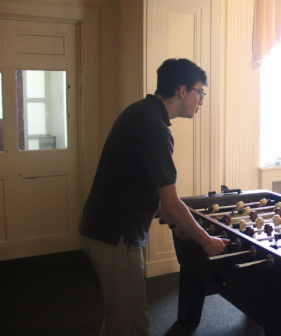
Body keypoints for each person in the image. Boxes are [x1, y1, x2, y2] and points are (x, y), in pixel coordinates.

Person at [79, 58, 227, 336]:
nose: (202, 101)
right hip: (115, 235)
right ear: (183, 91)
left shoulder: (141, 112)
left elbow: (151, 191)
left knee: (119, 318)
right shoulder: (155, 129)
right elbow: (171, 202)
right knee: (131, 326)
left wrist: (175, 224)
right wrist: (205, 241)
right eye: (201, 93)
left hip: (102, 228)